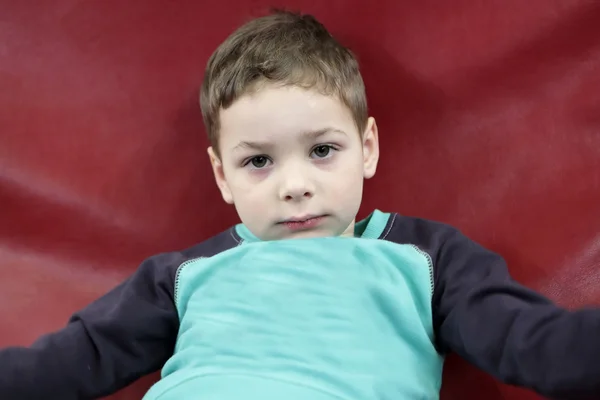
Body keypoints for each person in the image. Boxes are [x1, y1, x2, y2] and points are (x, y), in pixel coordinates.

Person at [1, 9, 599, 400]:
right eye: (258, 161)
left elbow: (533, 341)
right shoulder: (181, 276)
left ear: (366, 148)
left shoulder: (429, 260)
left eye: (321, 151)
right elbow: (70, 361)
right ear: (222, 175)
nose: (294, 186)